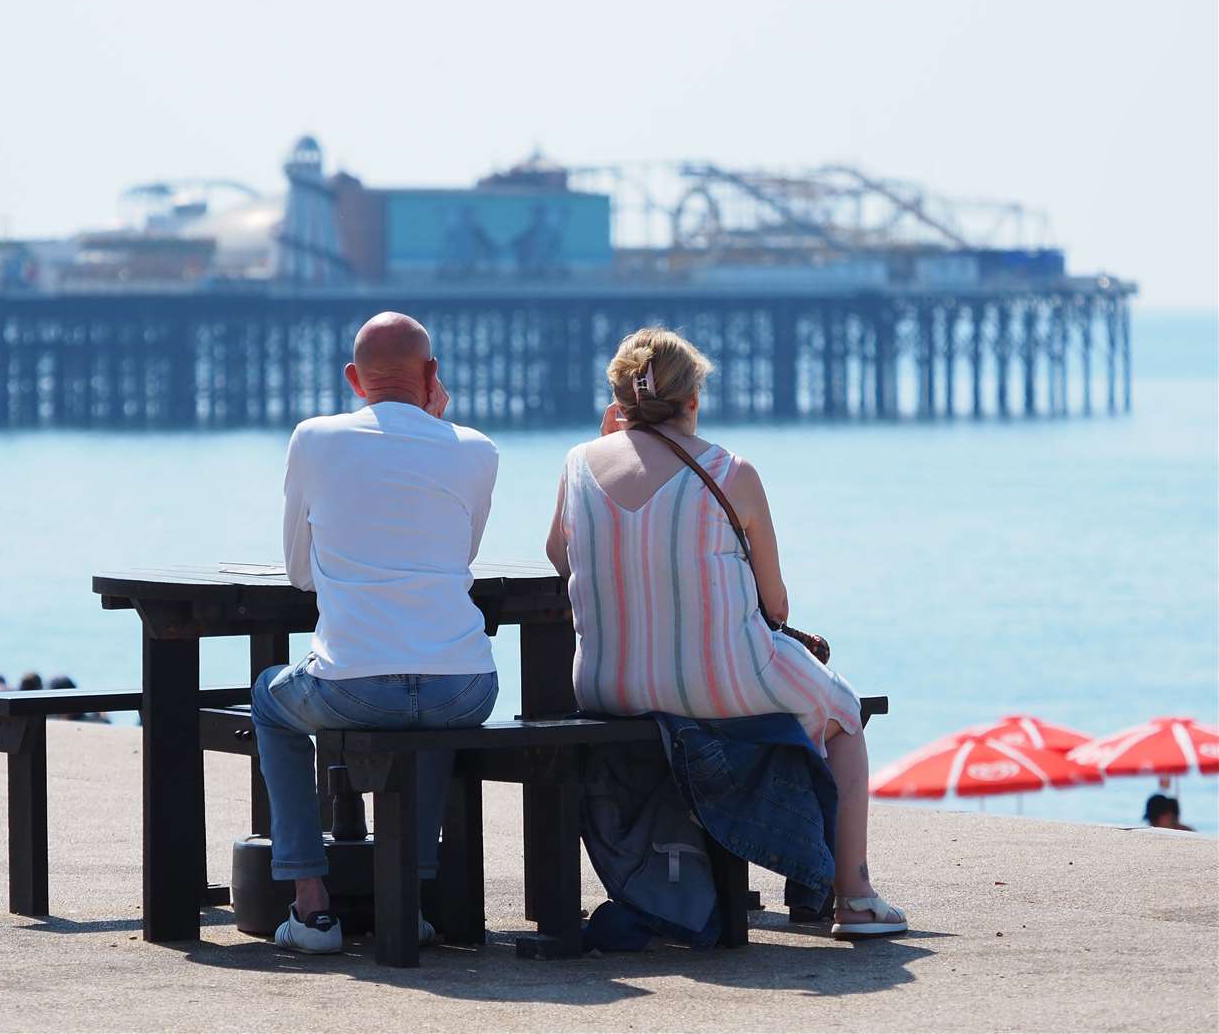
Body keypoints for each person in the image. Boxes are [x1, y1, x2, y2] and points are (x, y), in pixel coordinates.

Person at [544, 327, 907, 939]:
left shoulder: (578, 463)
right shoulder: (730, 472)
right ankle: (854, 896)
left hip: (607, 687)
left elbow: (560, 557)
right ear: (692, 400)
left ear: (619, 403)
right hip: (721, 683)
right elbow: (776, 601)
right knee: (844, 715)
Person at [253, 310, 500, 954]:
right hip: (467, 688)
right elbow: (460, 555)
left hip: (354, 688)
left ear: (353, 379)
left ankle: (310, 906)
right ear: (433, 375)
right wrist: (438, 429)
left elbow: (300, 574)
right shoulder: (476, 449)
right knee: (436, 710)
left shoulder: (314, 437)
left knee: (268, 698)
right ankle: (408, 901)